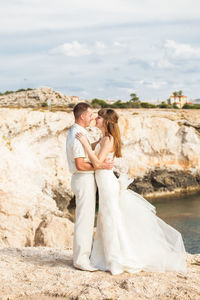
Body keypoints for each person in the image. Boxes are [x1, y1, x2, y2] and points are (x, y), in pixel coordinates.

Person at [76, 108, 187, 275]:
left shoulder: (108, 139)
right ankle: (106, 257)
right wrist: (83, 144)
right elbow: (89, 153)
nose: (95, 120)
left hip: (107, 182)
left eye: (98, 117)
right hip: (104, 181)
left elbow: (97, 162)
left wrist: (85, 143)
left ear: (106, 121)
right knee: (107, 217)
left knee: (110, 218)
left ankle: (116, 260)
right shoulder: (103, 138)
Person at [66, 103, 113, 271]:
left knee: (86, 219)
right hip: (83, 178)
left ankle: (83, 256)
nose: (93, 117)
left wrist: (94, 144)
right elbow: (80, 165)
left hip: (84, 179)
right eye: (91, 114)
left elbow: (87, 154)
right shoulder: (78, 134)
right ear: (82, 117)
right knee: (84, 220)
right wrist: (101, 166)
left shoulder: (79, 132)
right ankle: (81, 260)